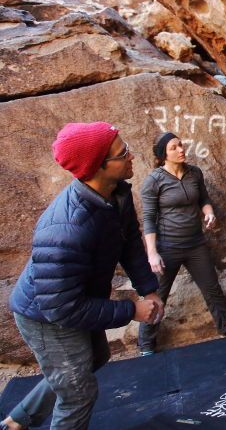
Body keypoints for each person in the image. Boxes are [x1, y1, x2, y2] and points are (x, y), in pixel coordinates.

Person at [3, 122, 163, 430]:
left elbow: (128, 240)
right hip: (45, 316)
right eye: (123, 153)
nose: (132, 155)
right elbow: (61, 308)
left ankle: (18, 421)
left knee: (94, 357)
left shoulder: (116, 193)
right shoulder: (66, 229)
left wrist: (149, 290)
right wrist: (131, 310)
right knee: (78, 392)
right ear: (98, 167)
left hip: (68, 301)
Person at [137, 132, 226, 357]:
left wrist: (209, 212)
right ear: (162, 155)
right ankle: (146, 345)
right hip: (168, 247)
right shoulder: (154, 181)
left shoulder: (194, 173)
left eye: (181, 145)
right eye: (174, 147)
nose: (181, 150)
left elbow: (204, 199)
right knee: (157, 296)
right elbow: (148, 218)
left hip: (196, 244)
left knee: (211, 287)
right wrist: (152, 253)